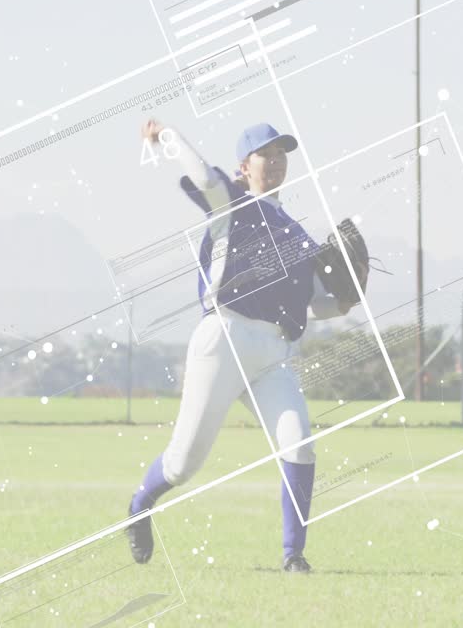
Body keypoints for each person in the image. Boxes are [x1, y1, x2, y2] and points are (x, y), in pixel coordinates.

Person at [125, 119, 366, 573]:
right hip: (224, 340)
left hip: (275, 352)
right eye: (265, 154)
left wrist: (344, 304)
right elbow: (202, 176)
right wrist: (168, 136)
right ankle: (140, 504)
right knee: (183, 464)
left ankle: (293, 556)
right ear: (244, 166)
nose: (275, 161)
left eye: (281, 154)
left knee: (299, 444)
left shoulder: (297, 234)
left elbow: (310, 304)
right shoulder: (231, 205)